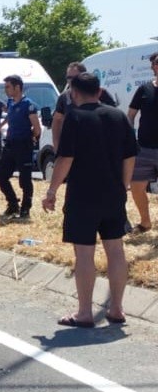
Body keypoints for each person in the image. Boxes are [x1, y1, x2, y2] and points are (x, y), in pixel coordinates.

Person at [42, 72, 136, 327]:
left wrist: (51, 191)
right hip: (113, 193)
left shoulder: (75, 117)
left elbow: (65, 158)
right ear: (99, 90)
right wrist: (124, 185)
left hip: (83, 194)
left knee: (84, 253)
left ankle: (85, 312)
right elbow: (130, 156)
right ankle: (116, 308)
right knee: (115, 250)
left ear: (73, 91)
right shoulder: (118, 115)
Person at [0, 74, 41, 220]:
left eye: (8, 87)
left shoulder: (29, 104)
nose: (5, 90)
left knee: (25, 179)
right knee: (1, 175)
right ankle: (13, 203)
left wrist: (29, 137)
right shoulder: (10, 102)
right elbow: (10, 116)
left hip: (23, 145)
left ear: (17, 87)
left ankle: (26, 208)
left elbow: (37, 128)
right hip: (10, 144)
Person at [53, 61, 117, 152]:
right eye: (68, 77)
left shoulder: (101, 93)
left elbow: (113, 119)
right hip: (73, 148)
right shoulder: (64, 97)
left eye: (74, 77)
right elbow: (57, 120)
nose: (71, 81)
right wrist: (57, 147)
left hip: (98, 146)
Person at [126, 52, 158, 233]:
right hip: (144, 147)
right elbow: (130, 115)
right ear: (153, 67)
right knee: (137, 187)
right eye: (157, 63)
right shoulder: (144, 89)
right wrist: (130, 137)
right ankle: (145, 222)